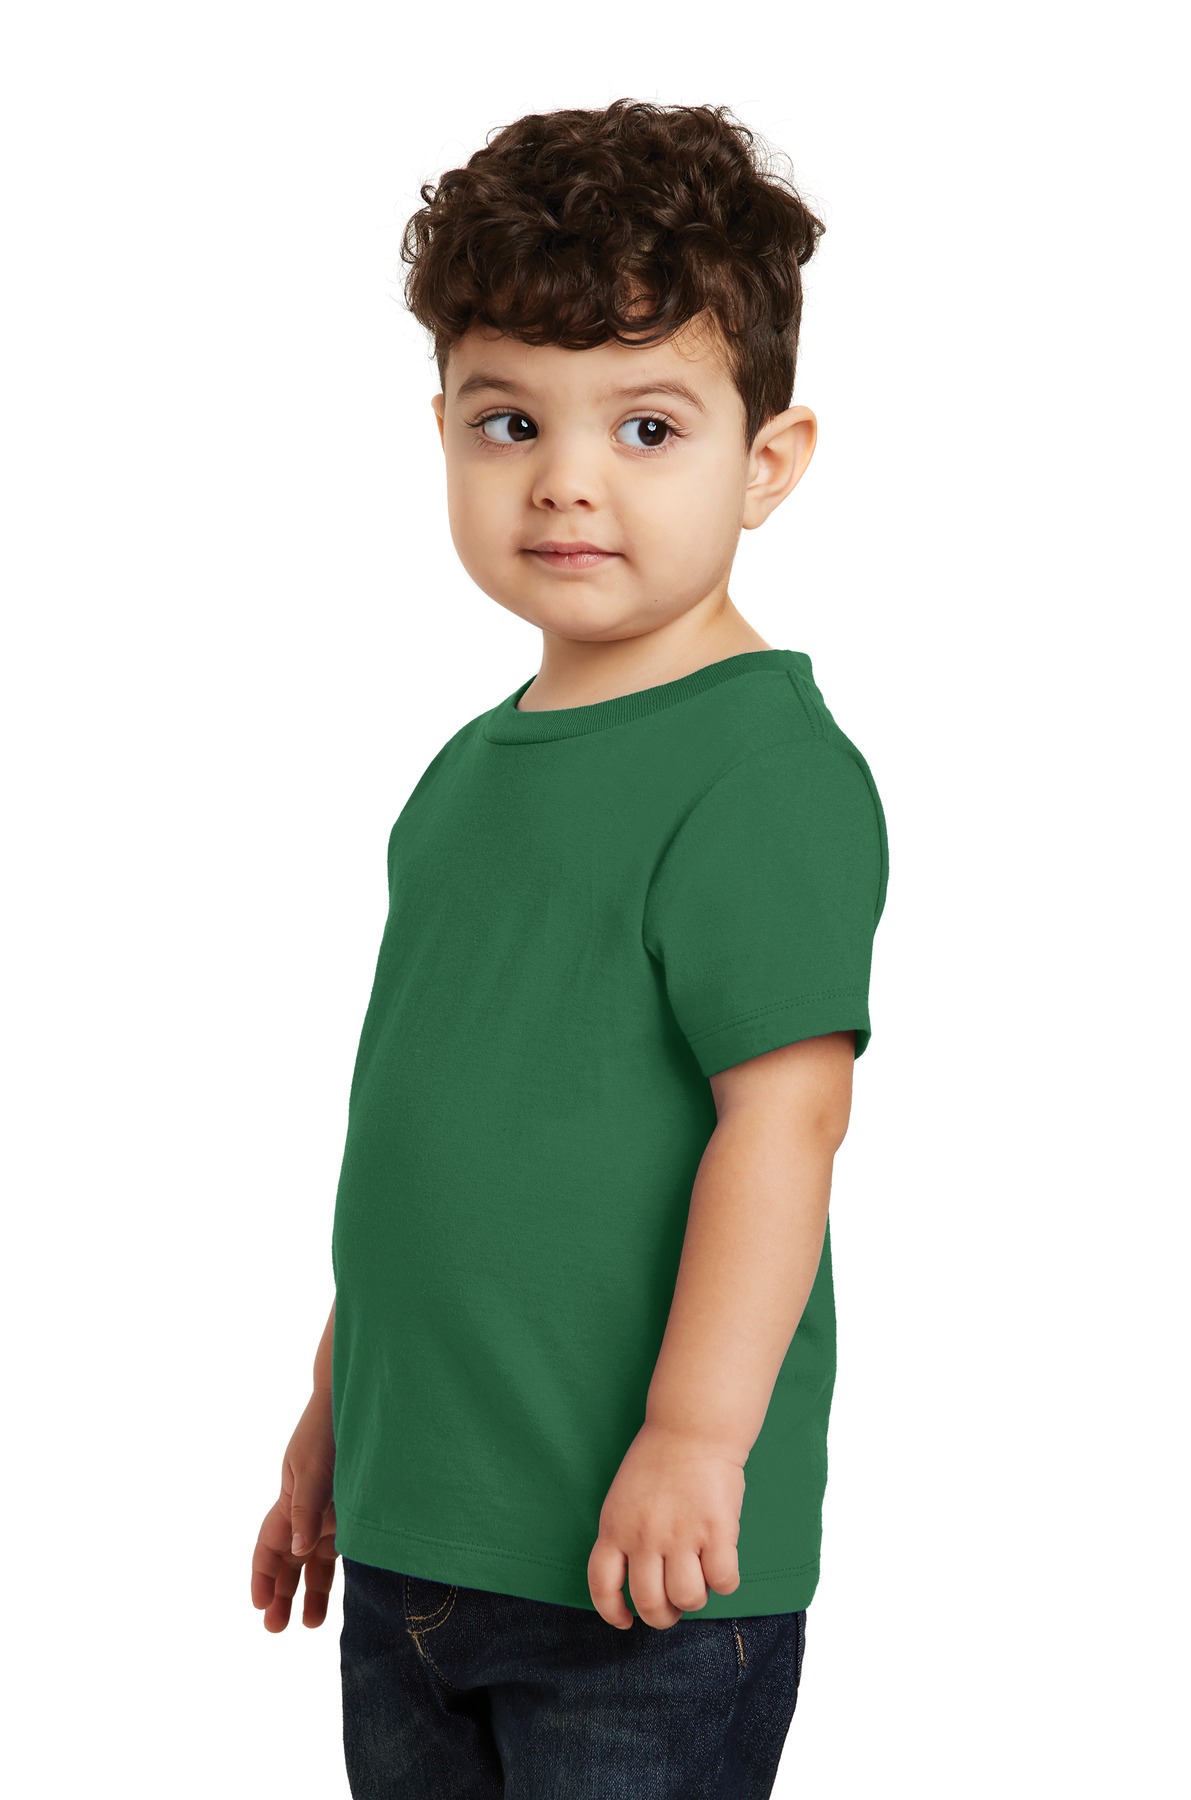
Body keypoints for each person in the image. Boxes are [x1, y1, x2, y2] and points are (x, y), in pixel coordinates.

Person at [251, 96, 890, 1798]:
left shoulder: (760, 769)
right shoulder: (464, 777)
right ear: (444, 432)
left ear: (769, 462)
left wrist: (695, 1437)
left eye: (648, 427)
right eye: (509, 420)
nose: (566, 479)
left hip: (641, 1580)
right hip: (418, 1544)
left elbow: (787, 1122)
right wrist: (338, 1412)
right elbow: (428, 1136)